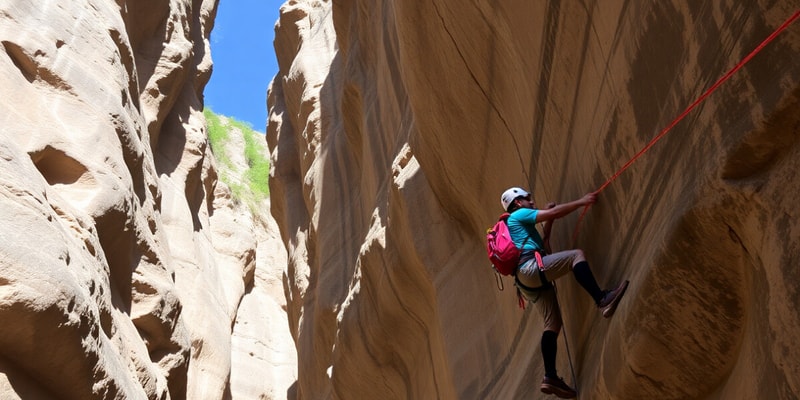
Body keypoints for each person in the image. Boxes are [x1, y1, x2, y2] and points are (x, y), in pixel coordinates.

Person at [499, 187, 629, 399]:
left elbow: (545, 245)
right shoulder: (519, 215)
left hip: (525, 281)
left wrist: (549, 222)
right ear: (517, 203)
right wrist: (582, 201)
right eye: (527, 198)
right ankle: (602, 299)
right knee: (576, 256)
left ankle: (550, 377)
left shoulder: (517, 226)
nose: (531, 201)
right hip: (531, 268)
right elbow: (554, 213)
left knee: (552, 323)